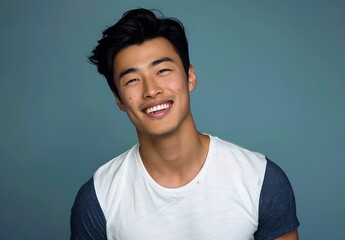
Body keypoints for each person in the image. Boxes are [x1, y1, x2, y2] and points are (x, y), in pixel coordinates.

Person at [70, 8, 300, 240]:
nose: (151, 90)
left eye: (162, 70)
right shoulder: (98, 198)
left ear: (190, 77)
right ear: (119, 99)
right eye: (132, 80)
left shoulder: (260, 179)